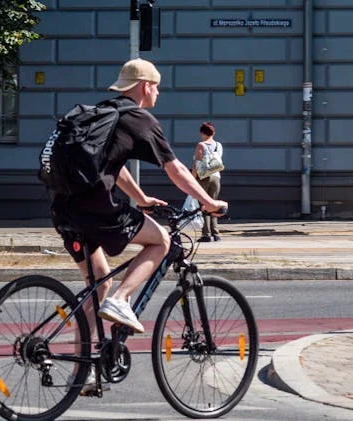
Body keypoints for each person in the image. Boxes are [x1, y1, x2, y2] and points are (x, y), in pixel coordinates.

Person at [49, 57, 227, 344]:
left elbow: (111, 168)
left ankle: (84, 370)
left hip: (63, 208)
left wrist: (141, 198)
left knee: (99, 283)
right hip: (96, 209)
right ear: (145, 86)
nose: (158, 93)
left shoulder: (102, 113)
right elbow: (176, 169)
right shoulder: (139, 119)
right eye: (156, 87)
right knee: (161, 241)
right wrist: (208, 202)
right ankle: (122, 299)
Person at [192, 122, 224, 242]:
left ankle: (206, 234)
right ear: (213, 133)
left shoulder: (201, 145)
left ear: (202, 133)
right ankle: (216, 233)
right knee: (214, 204)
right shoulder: (218, 145)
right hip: (216, 177)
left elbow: (197, 163)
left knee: (204, 204)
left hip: (204, 177)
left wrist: (193, 178)